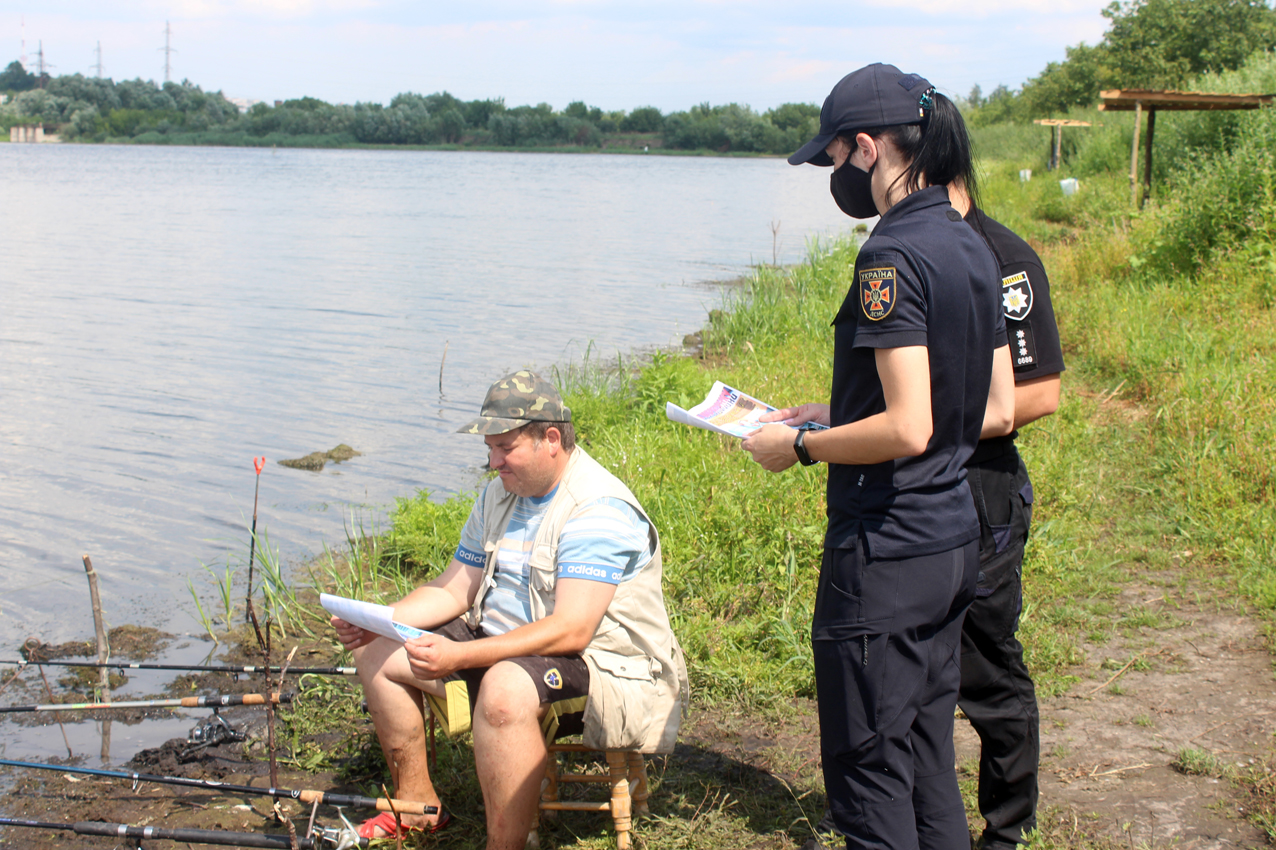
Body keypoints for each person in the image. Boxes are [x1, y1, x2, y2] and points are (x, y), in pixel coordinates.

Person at [741, 63, 1014, 850]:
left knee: (868, 772)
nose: (831, 175)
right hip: (953, 541)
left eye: (830, 159)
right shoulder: (971, 243)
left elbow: (907, 428)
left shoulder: (889, 258)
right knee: (926, 757)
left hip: (886, 554)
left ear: (867, 148)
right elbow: (989, 404)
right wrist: (844, 409)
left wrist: (799, 444)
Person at [331, 369, 688, 850]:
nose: (494, 463)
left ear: (552, 439)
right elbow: (454, 590)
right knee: (378, 650)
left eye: (506, 449)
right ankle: (417, 805)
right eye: (489, 450)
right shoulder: (502, 493)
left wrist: (460, 658)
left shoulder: (596, 509)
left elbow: (571, 631)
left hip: (604, 668)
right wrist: (380, 617)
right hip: (506, 648)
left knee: (503, 689)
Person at [949, 183, 1065, 850]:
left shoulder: (1003, 259)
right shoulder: (911, 252)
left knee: (986, 664)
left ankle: (1008, 825)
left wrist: (925, 425)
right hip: (912, 487)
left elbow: (1040, 393)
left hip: (979, 486)